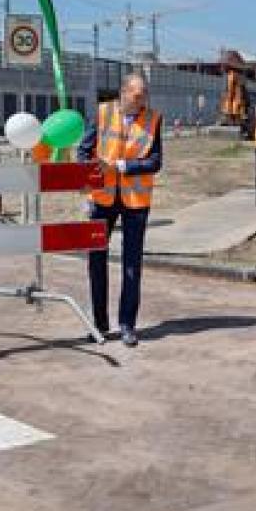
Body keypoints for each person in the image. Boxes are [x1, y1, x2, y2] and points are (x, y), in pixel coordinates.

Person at [79, 73, 162, 348]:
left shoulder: (153, 119)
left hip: (136, 202)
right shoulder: (102, 113)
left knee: (131, 265)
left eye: (144, 96)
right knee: (96, 261)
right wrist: (88, 187)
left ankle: (127, 324)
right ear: (123, 93)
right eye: (137, 96)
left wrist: (125, 166)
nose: (142, 101)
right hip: (102, 198)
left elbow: (155, 160)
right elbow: (84, 152)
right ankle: (99, 324)